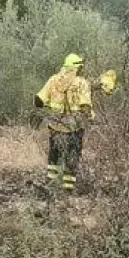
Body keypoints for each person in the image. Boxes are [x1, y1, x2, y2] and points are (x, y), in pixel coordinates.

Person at [35, 53, 94, 193]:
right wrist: (89, 119)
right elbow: (85, 106)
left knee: (54, 153)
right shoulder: (82, 83)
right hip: (75, 126)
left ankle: (51, 182)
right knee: (72, 155)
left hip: (55, 125)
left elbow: (38, 100)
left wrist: (48, 110)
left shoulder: (53, 80)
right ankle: (68, 188)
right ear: (78, 68)